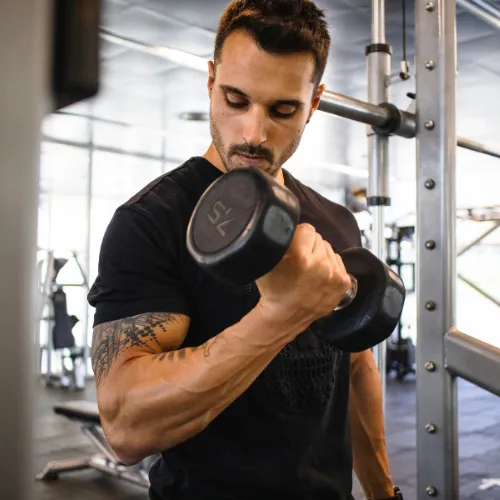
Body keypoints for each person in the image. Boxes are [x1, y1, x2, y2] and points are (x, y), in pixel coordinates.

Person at [87, 1, 402, 499]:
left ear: (314, 103)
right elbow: (127, 427)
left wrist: (384, 492)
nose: (254, 133)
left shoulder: (337, 222)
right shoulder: (151, 222)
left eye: (283, 110)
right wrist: (282, 313)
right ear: (211, 81)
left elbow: (357, 368)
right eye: (236, 100)